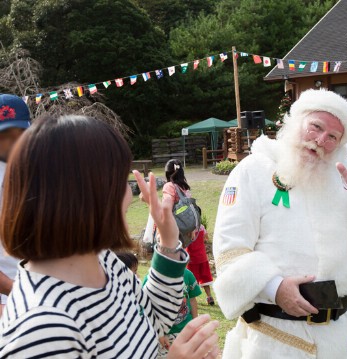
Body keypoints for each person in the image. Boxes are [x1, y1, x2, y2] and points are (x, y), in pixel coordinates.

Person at [0, 115, 219, 358]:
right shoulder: (39, 330)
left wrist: (168, 241)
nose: (130, 194)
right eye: (121, 180)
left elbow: (155, 319)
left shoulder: (103, 261)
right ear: (86, 194)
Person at [213, 89, 347, 358]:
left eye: (333, 137)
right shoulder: (253, 170)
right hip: (281, 339)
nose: (321, 140)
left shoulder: (345, 175)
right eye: (316, 127)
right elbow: (229, 251)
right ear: (295, 121)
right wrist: (275, 288)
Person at [0, 94, 30, 315]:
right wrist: (20, 293)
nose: (13, 141)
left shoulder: (40, 169)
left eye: (19, 133)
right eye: (4, 135)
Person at [146, 268, 202, 358]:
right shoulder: (152, 277)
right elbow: (148, 307)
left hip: (185, 329)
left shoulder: (187, 274)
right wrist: (160, 334)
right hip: (164, 334)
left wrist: (196, 323)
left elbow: (192, 299)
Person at [163, 159, 199, 246]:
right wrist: (192, 228)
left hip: (176, 229)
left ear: (167, 173)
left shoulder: (169, 186)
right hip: (189, 228)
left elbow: (167, 209)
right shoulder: (183, 186)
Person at [186, 224, 216, 305]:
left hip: (192, 258)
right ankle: (209, 297)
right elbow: (206, 238)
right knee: (205, 278)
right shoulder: (201, 227)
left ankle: (191, 299)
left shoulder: (187, 227)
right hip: (202, 257)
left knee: (191, 280)